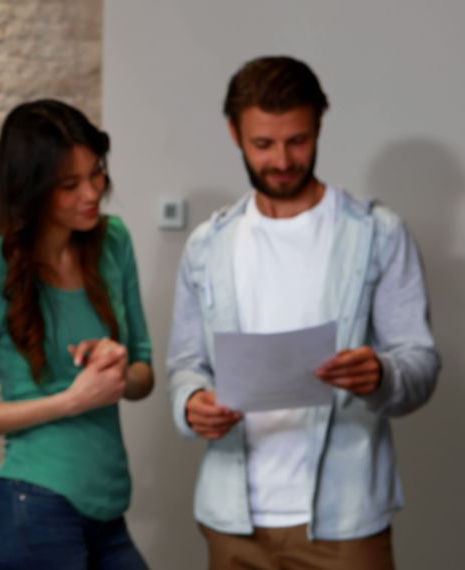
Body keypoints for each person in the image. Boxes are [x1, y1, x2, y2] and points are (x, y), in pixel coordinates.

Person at [167, 55, 440, 569]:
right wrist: (192, 403)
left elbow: (420, 363)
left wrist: (381, 373)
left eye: (298, 141)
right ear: (234, 134)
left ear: (319, 126)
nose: (282, 161)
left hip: (347, 521)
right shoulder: (208, 246)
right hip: (232, 521)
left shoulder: (377, 234)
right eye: (263, 144)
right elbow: (186, 363)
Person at [0, 99, 154, 570]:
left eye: (96, 174)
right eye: (69, 185)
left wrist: (116, 367)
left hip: (110, 512)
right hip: (34, 508)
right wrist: (72, 400)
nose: (92, 192)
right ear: (32, 189)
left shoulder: (114, 243)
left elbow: (143, 374)